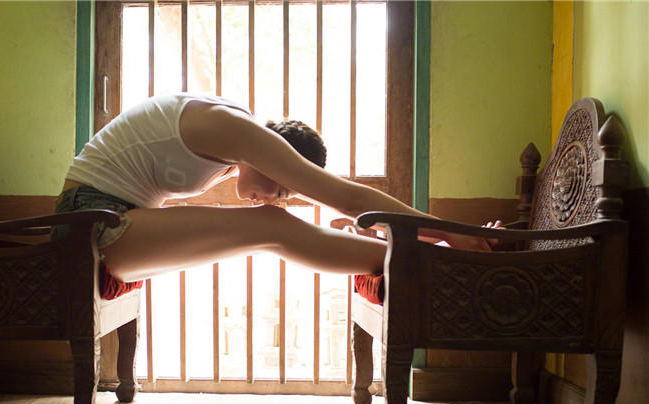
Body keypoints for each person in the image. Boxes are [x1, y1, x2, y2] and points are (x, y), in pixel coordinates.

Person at [55, 93, 499, 283]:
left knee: (270, 228)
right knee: (270, 225)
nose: (274, 197)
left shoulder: (231, 148)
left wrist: (429, 231)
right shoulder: (233, 129)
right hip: (89, 221)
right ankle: (439, 257)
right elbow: (352, 198)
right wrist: (453, 229)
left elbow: (353, 206)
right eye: (283, 189)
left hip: (105, 223)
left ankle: (428, 252)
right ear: (276, 156)